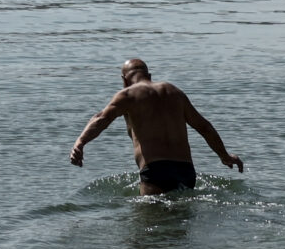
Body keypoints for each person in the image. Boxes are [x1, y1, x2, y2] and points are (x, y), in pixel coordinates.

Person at [68, 57, 245, 194]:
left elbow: (101, 119)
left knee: (147, 230)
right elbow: (204, 127)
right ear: (149, 76)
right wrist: (224, 155)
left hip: (156, 171)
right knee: (180, 230)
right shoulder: (174, 92)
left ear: (124, 80)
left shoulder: (127, 95)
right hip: (186, 171)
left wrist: (80, 143)